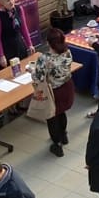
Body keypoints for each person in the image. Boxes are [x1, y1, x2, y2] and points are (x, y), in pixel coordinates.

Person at [32, 28, 76, 157]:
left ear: (48, 42)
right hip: (67, 88)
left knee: (51, 117)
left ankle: (57, 145)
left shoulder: (44, 58)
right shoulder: (67, 52)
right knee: (61, 112)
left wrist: (32, 71)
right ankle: (63, 135)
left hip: (53, 92)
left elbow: (38, 78)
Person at [0, 0, 34, 68]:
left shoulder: (19, 9)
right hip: (7, 50)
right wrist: (1, 56)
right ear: (1, 2)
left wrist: (30, 44)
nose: (11, 2)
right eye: (8, 1)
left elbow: (24, 28)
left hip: (20, 46)